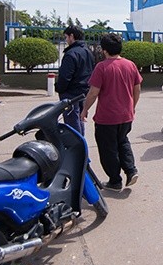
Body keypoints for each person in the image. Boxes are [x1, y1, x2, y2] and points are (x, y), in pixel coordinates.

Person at [80, 33, 142, 192]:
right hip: (126, 115)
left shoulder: (102, 67)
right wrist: (132, 106)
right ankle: (131, 170)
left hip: (106, 117)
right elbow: (137, 89)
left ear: (104, 49)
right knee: (122, 141)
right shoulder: (130, 65)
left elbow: (93, 92)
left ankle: (115, 181)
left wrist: (85, 109)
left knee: (108, 149)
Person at [56, 25, 95, 135]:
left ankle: (77, 148)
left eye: (66, 37)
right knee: (79, 119)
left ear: (71, 36)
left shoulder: (71, 54)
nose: (66, 40)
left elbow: (65, 76)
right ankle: (81, 146)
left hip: (71, 93)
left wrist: (59, 88)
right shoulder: (87, 51)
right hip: (83, 91)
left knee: (72, 123)